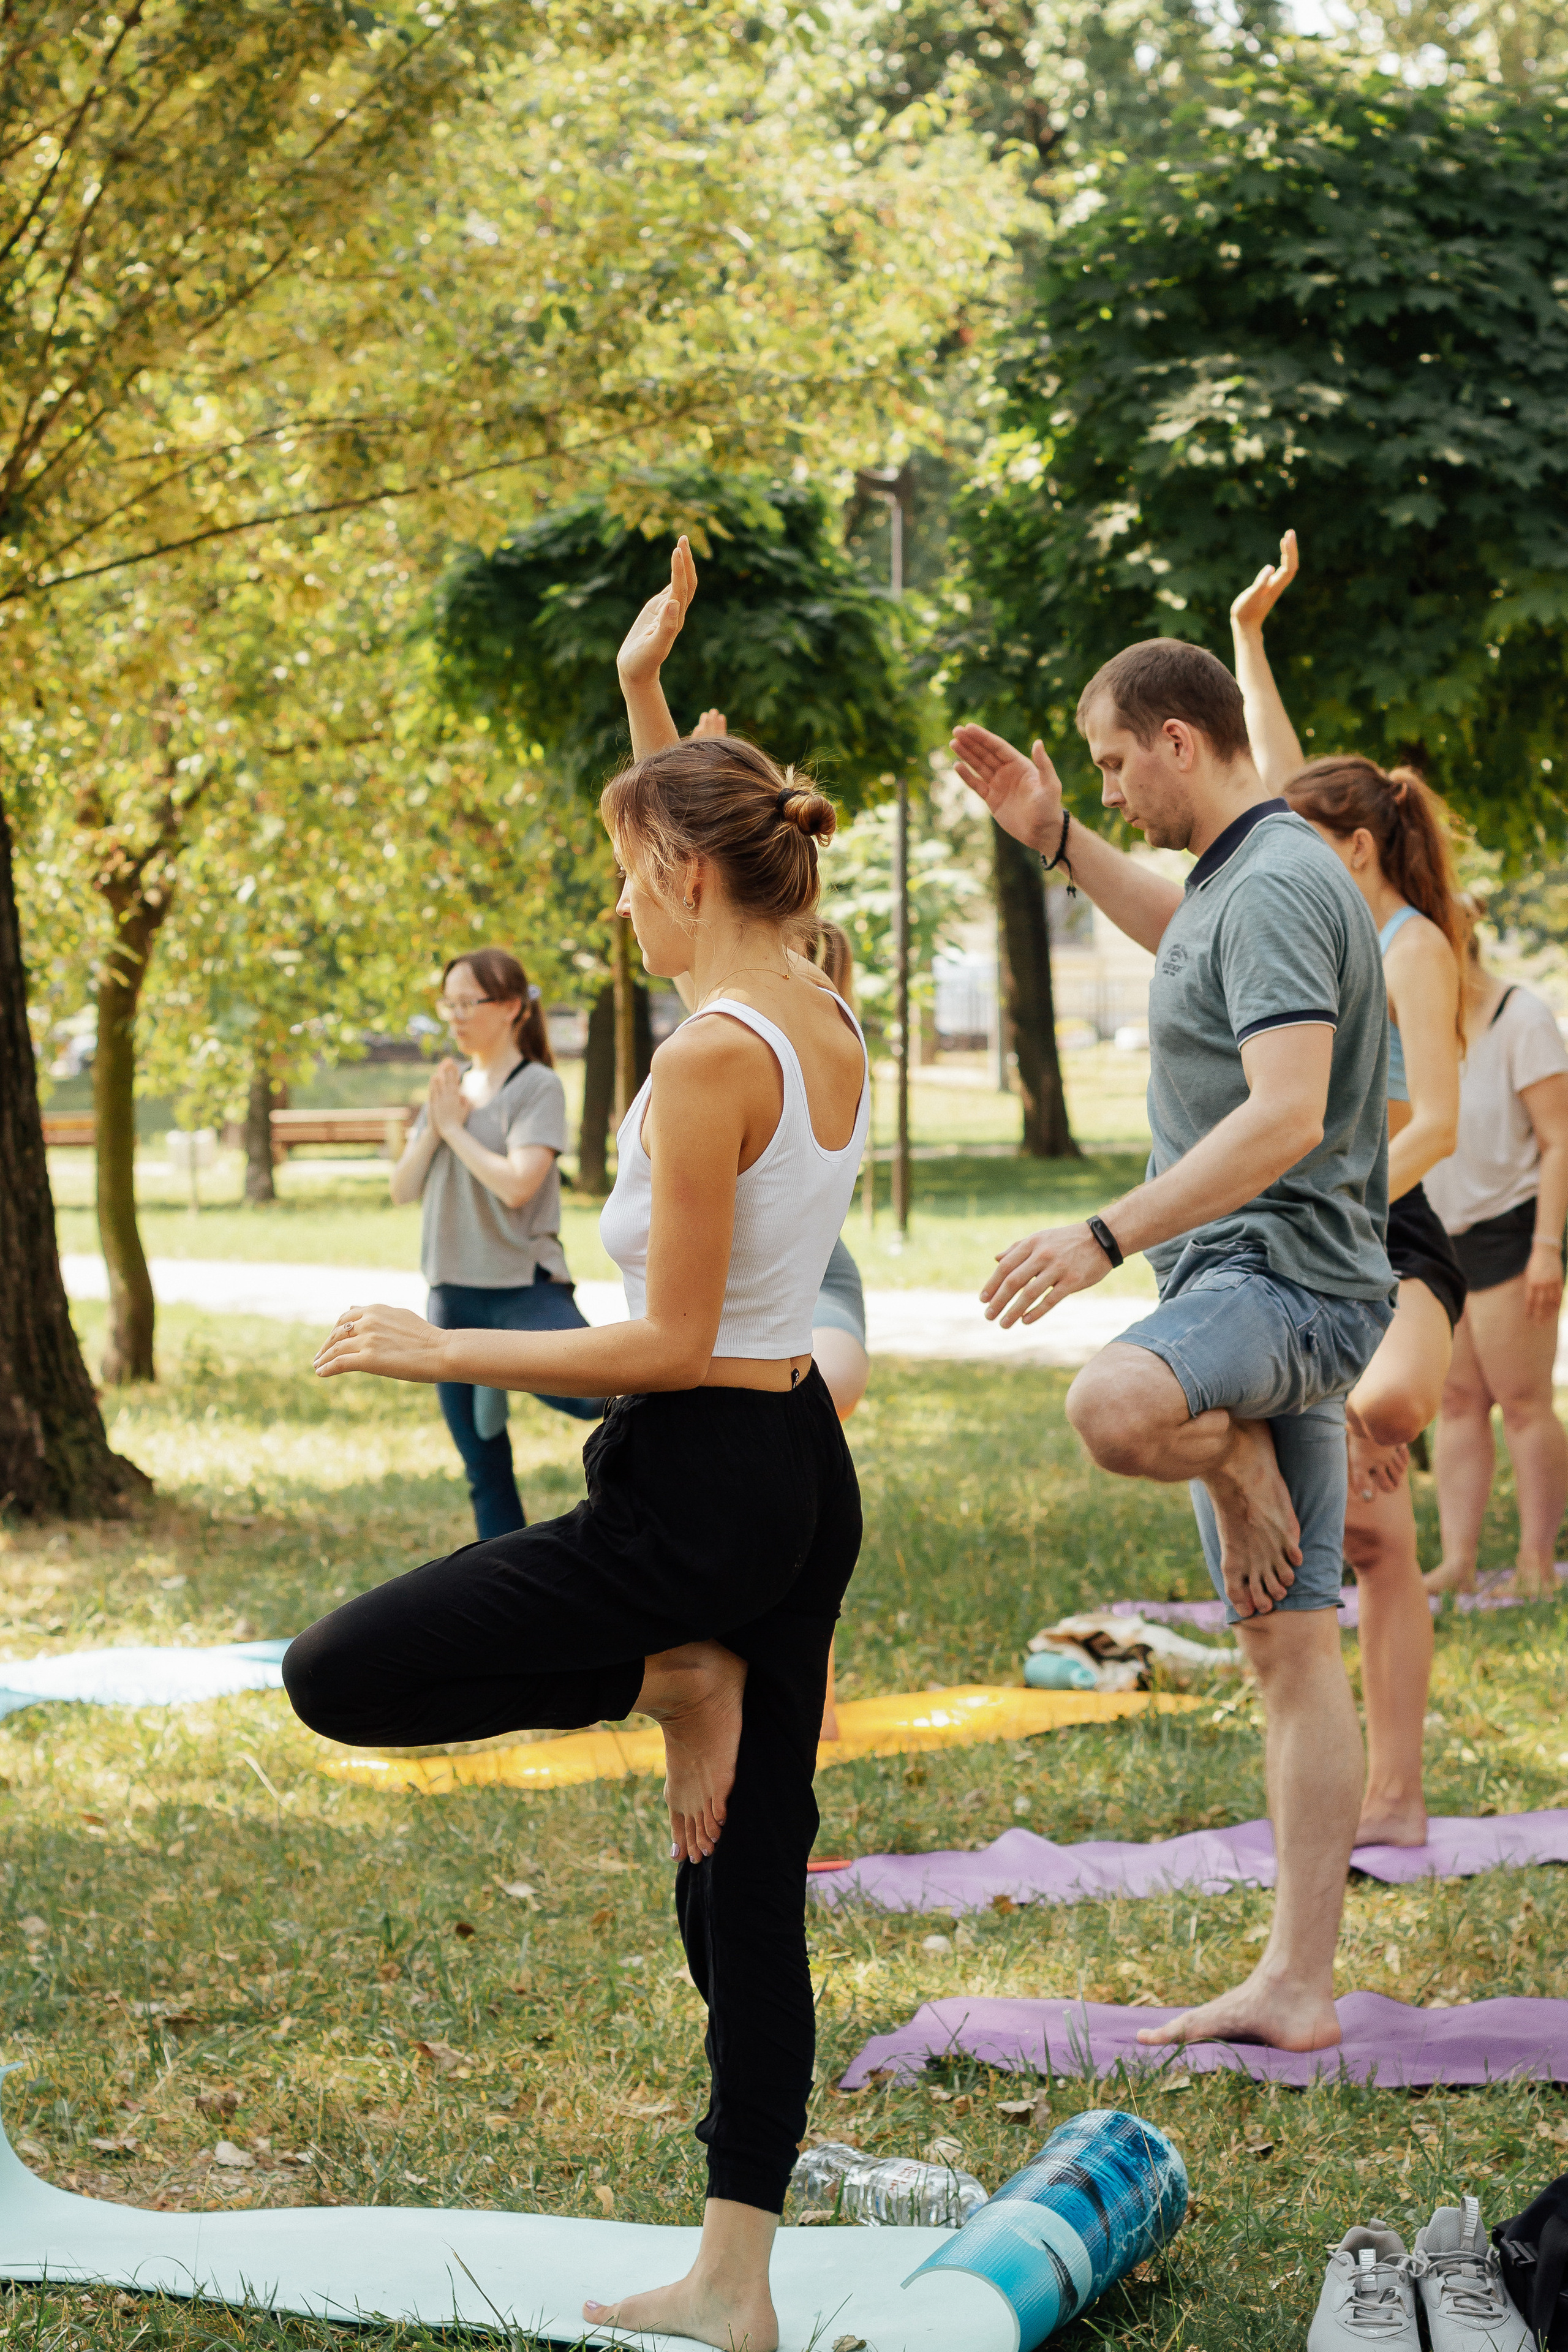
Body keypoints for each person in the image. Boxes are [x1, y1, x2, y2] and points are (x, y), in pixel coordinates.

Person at [287, 535, 869, 2352]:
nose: (615, 911)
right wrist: (639, 693)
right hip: (800, 1482)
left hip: (696, 1500)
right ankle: (734, 2276)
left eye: (632, 879)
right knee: (742, 1894)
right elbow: (702, 816)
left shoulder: (709, 1060)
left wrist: (428, 1340)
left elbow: (671, 1342)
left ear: (688, 872)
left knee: (341, 1672)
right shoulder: (821, 1000)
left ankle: (660, 1669)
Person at [951, 631, 1393, 2056]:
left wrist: (1100, 1234)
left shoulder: (1265, 883)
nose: (1109, 783)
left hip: (1273, 1280)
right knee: (1289, 1644)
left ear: (1176, 740)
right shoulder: (1243, 878)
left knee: (1113, 1402)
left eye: (1107, 761)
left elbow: (1280, 1112)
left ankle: (1234, 1458)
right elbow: (1182, 939)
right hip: (1282, 1285)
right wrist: (1056, 837)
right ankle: (1296, 1982)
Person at [1231, 531, 1466, 1845]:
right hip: (1316, 1241)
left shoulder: (1407, 944)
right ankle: (1376, 1792)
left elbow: (1427, 1120)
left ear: (1362, 848)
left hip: (1396, 1235)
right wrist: (1249, 641)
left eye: (1313, 844)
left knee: (1378, 1413)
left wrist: (1341, 1192)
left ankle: (1398, 1787)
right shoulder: (1316, 903)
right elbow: (1273, 779)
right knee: (1367, 1540)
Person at [389, 948, 601, 1542]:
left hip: (522, 1292)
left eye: (468, 1003)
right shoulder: (449, 1086)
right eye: (447, 1004)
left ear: (511, 1007)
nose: (455, 1016)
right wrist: (437, 1124)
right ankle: (503, 1598)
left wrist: (454, 1129)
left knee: (598, 1400)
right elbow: (403, 1189)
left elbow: (516, 1186)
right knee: (484, 1469)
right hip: (452, 1298)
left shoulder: (536, 1087)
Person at [1426, 917, 1568, 1600]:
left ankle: (1536, 1560)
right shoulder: (1418, 1023)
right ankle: (1459, 1560)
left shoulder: (1523, 1018)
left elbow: (1558, 1141)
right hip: (1438, 1238)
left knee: (1521, 1402)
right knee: (1455, 1402)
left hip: (1512, 1235)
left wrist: (1547, 1248)